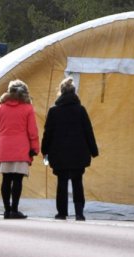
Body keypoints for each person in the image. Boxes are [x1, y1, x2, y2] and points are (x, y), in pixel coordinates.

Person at [41, 77, 99, 221]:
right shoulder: (81, 110)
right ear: (74, 93)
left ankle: (62, 212)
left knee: (61, 182)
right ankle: (79, 213)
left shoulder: (54, 111)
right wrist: (93, 150)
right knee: (77, 182)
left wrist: (44, 150)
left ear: (60, 92)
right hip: (79, 153)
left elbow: (47, 133)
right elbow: (88, 131)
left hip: (59, 153)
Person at [0, 80, 39, 219]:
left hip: (3, 148)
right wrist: (35, 148)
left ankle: (6, 210)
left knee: (6, 179)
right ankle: (14, 209)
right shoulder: (28, 108)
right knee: (17, 180)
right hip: (21, 149)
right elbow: (32, 131)